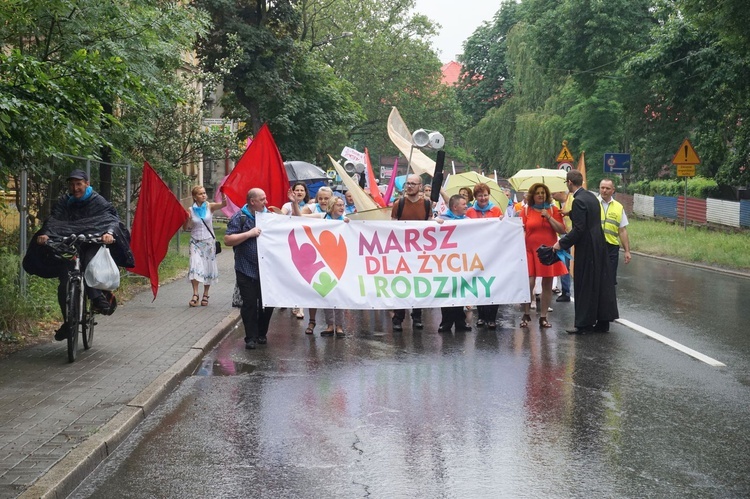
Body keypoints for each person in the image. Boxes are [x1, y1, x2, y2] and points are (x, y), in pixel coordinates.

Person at [32, 169, 133, 341]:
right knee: (65, 279)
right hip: (70, 242)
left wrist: (108, 233)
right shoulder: (65, 201)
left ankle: (95, 297)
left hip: (92, 241)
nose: (75, 188)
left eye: (79, 184)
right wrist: (46, 233)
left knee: (88, 261)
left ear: (86, 184)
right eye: (72, 184)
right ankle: (68, 321)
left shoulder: (97, 201)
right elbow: (54, 219)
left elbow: (111, 218)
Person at [553, 170, 619, 334]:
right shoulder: (590, 197)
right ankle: (603, 322)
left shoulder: (578, 201)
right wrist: (572, 213)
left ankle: (583, 325)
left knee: (585, 284)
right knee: (600, 283)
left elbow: (579, 230)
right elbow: (589, 218)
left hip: (587, 248)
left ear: (569, 183)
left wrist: (561, 243)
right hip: (599, 244)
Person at [224, 188, 282, 349]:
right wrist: (248, 234)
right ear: (252, 201)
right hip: (246, 269)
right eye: (262, 199)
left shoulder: (269, 217)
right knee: (249, 304)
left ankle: (262, 333)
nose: (266, 202)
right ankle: (250, 337)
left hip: (268, 270)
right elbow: (228, 240)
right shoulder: (240, 217)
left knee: (267, 303)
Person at [292, 197, 350, 337]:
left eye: (343, 205)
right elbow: (300, 217)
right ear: (331, 207)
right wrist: (294, 203)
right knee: (327, 293)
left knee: (339, 294)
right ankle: (330, 325)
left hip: (340, 261)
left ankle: (340, 326)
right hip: (323, 260)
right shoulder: (321, 217)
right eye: (338, 205)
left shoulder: (346, 220)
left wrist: (348, 223)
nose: (342, 208)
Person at [519, 183, 568, 329]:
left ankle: (543, 316)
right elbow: (519, 229)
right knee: (529, 282)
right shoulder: (526, 210)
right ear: (532, 196)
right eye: (537, 193)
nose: (541, 195)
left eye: (543, 193)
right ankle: (526, 314)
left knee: (547, 283)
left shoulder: (553, 210)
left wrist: (549, 217)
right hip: (530, 251)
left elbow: (562, 230)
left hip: (549, 251)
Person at [390, 174, 432, 332]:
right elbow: (392, 227)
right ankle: (398, 318)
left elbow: (429, 226)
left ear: (420, 186)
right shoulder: (398, 204)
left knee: (418, 284)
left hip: (420, 252)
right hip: (401, 252)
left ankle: (417, 317)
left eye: (413, 184)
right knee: (401, 284)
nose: (409, 186)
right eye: (407, 183)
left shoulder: (427, 204)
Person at [466, 183, 503, 328]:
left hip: (493, 253)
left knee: (494, 284)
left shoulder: (496, 210)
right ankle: (481, 316)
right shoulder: (469, 212)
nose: (483, 198)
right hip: (476, 253)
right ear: (475, 197)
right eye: (480, 195)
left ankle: (492, 317)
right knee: (479, 284)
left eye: (486, 195)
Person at [183, 186, 226, 307]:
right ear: (195, 196)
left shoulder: (209, 206)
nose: (203, 195)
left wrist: (224, 197)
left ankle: (206, 294)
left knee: (208, 267)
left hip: (208, 242)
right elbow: (185, 228)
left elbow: (223, 204)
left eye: (204, 193)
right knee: (194, 265)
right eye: (200, 194)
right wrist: (187, 219)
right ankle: (195, 294)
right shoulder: (190, 210)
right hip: (195, 241)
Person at [437, 194, 471, 332]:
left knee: (459, 291)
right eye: (464, 204)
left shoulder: (468, 221)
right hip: (446, 261)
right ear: (455, 207)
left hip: (461, 261)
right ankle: (446, 321)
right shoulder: (443, 220)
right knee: (447, 291)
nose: (466, 206)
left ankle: (460, 321)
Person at [598, 178, 632, 284]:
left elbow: (622, 230)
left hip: (611, 247)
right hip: (595, 246)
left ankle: (609, 300)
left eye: (607, 188)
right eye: (602, 188)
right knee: (595, 278)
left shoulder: (618, 207)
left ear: (613, 190)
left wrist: (627, 251)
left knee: (610, 279)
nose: (604, 190)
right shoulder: (593, 203)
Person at [551, 190, 574, 302]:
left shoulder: (572, 201)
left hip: (570, 236)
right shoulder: (555, 204)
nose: (552, 195)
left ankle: (566, 291)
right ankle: (565, 291)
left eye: (553, 193)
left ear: (561, 192)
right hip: (561, 236)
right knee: (562, 264)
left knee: (565, 264)